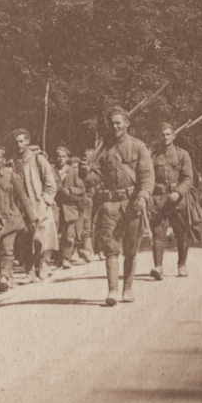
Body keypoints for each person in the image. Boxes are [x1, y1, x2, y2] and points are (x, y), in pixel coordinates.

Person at [86, 106, 154, 305]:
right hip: (110, 205)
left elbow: (147, 175)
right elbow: (94, 177)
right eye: (112, 123)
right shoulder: (103, 148)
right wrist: (85, 172)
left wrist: (143, 195)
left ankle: (128, 289)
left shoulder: (138, 147)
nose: (115, 126)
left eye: (118, 123)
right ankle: (113, 290)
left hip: (132, 204)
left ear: (127, 124)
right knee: (111, 248)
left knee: (131, 249)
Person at [0, 145, 35, 292]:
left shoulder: (10, 175)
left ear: (4, 160)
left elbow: (23, 197)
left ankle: (3, 276)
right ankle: (8, 275)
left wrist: (32, 217)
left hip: (10, 218)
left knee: (7, 248)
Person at [12, 128, 58, 282]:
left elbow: (50, 183)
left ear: (27, 142)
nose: (19, 145)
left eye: (21, 141)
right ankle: (29, 271)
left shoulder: (38, 159)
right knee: (25, 238)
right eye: (16, 142)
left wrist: (45, 201)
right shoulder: (12, 162)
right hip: (21, 207)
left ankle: (44, 265)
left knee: (42, 237)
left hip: (39, 205)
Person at [150, 122, 194, 279]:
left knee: (181, 233)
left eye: (168, 134)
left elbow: (188, 178)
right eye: (162, 135)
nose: (165, 137)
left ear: (174, 136)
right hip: (160, 202)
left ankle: (182, 265)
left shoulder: (183, 155)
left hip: (177, 202)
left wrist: (178, 192)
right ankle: (158, 267)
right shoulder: (153, 156)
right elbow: (148, 176)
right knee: (158, 233)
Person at [53, 145, 85, 268]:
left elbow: (81, 189)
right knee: (57, 233)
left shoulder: (72, 171)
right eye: (58, 156)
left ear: (67, 158)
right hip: (56, 206)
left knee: (69, 234)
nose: (60, 159)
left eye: (63, 156)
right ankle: (57, 257)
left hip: (69, 207)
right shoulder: (52, 170)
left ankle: (66, 258)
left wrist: (70, 190)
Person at [78, 147, 97, 262]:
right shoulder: (81, 169)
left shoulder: (96, 169)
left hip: (98, 199)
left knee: (95, 225)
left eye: (88, 155)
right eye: (84, 155)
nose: (85, 157)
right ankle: (88, 250)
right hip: (87, 199)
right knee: (86, 224)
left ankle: (93, 250)